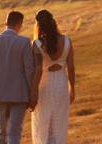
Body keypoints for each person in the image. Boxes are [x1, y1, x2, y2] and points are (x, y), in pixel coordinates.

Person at [0, 11, 35, 144]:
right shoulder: (24, 42)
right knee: (15, 132)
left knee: (2, 132)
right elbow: (29, 70)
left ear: (6, 23)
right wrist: (31, 93)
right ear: (19, 24)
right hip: (19, 94)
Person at [29, 9, 76, 144]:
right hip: (61, 85)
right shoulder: (67, 41)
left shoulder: (37, 44)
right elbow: (71, 68)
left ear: (38, 25)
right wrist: (72, 88)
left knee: (43, 123)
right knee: (59, 123)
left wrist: (33, 91)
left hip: (44, 86)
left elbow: (38, 70)